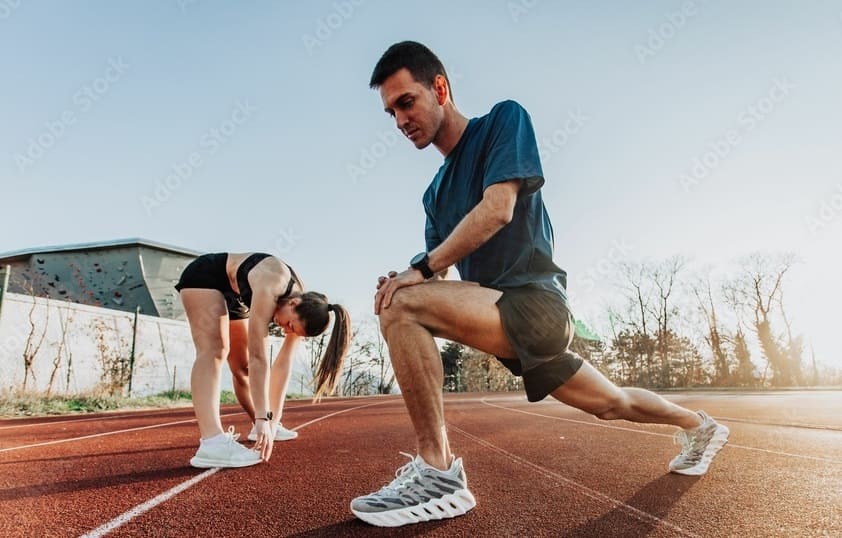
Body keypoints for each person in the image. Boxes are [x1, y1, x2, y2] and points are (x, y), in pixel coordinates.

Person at [351, 41, 730, 527]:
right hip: (502, 320)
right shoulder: (434, 195)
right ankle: (699, 426)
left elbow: (497, 210)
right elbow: (439, 270)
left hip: (537, 307)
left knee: (400, 307)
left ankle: (439, 474)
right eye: (390, 113)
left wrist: (416, 276)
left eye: (406, 102)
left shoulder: (503, 122)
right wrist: (409, 275)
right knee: (613, 403)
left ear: (440, 88)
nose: (400, 120)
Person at [175, 252, 350, 468]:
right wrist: (262, 418)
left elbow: (282, 365)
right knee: (215, 349)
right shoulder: (271, 287)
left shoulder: (302, 306)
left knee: (243, 369)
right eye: (289, 325)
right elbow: (259, 356)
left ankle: (260, 426)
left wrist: (271, 419)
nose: (285, 329)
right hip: (206, 276)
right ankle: (211, 441)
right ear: (294, 303)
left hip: (235, 294)